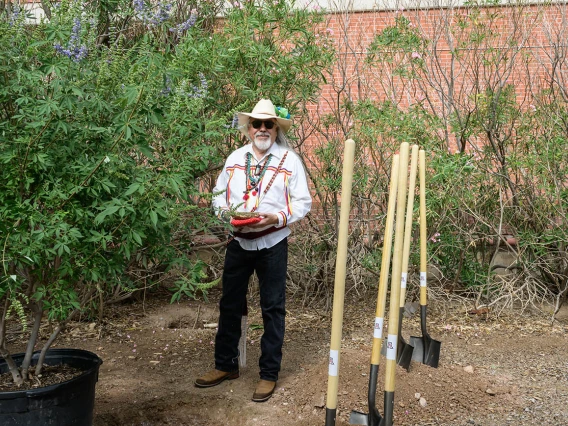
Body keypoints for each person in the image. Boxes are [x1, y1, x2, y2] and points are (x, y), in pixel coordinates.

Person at [194, 99, 312, 402]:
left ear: (275, 128)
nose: (262, 129)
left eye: (268, 124)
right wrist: (225, 216)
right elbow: (218, 197)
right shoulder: (235, 158)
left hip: (273, 242)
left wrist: (278, 217)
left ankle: (268, 373)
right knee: (230, 303)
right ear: (248, 128)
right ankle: (225, 365)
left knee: (273, 308)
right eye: (256, 124)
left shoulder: (289, 160)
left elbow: (302, 202)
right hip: (238, 241)